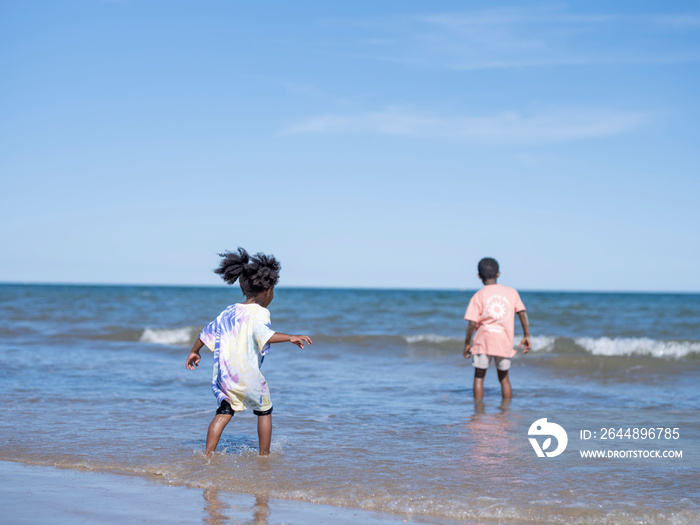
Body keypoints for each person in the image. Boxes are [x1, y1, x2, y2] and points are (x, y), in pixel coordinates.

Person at [186, 248, 312, 456]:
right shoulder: (261, 313)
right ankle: (264, 456)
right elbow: (263, 333)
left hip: (225, 376)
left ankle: (207, 455)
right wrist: (289, 337)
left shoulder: (228, 311)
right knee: (264, 410)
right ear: (268, 290)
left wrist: (194, 351)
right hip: (248, 374)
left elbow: (207, 331)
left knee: (224, 412)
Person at [463, 257, 531, 400]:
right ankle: (506, 412)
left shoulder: (478, 295)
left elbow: (471, 323)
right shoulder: (511, 292)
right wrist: (526, 335)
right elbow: (522, 313)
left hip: (483, 341)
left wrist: (467, 343)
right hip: (503, 341)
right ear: (498, 273)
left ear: (479, 276)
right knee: (504, 377)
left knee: (479, 376)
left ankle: (478, 411)